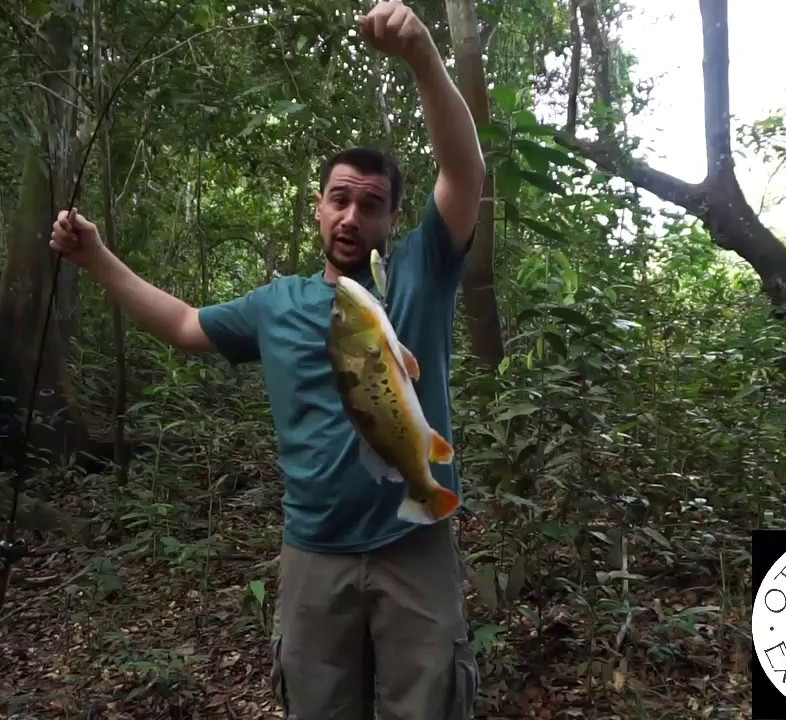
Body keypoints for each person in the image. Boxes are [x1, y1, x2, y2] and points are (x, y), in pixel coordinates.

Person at [50, 2, 485, 717]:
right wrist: (97, 258)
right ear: (318, 207)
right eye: (340, 200)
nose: (352, 217)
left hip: (416, 544)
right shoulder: (277, 304)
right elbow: (184, 322)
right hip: (314, 551)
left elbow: (464, 172)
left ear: (391, 220)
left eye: (371, 205)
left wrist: (423, 59)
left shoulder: (420, 271)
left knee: (429, 705)